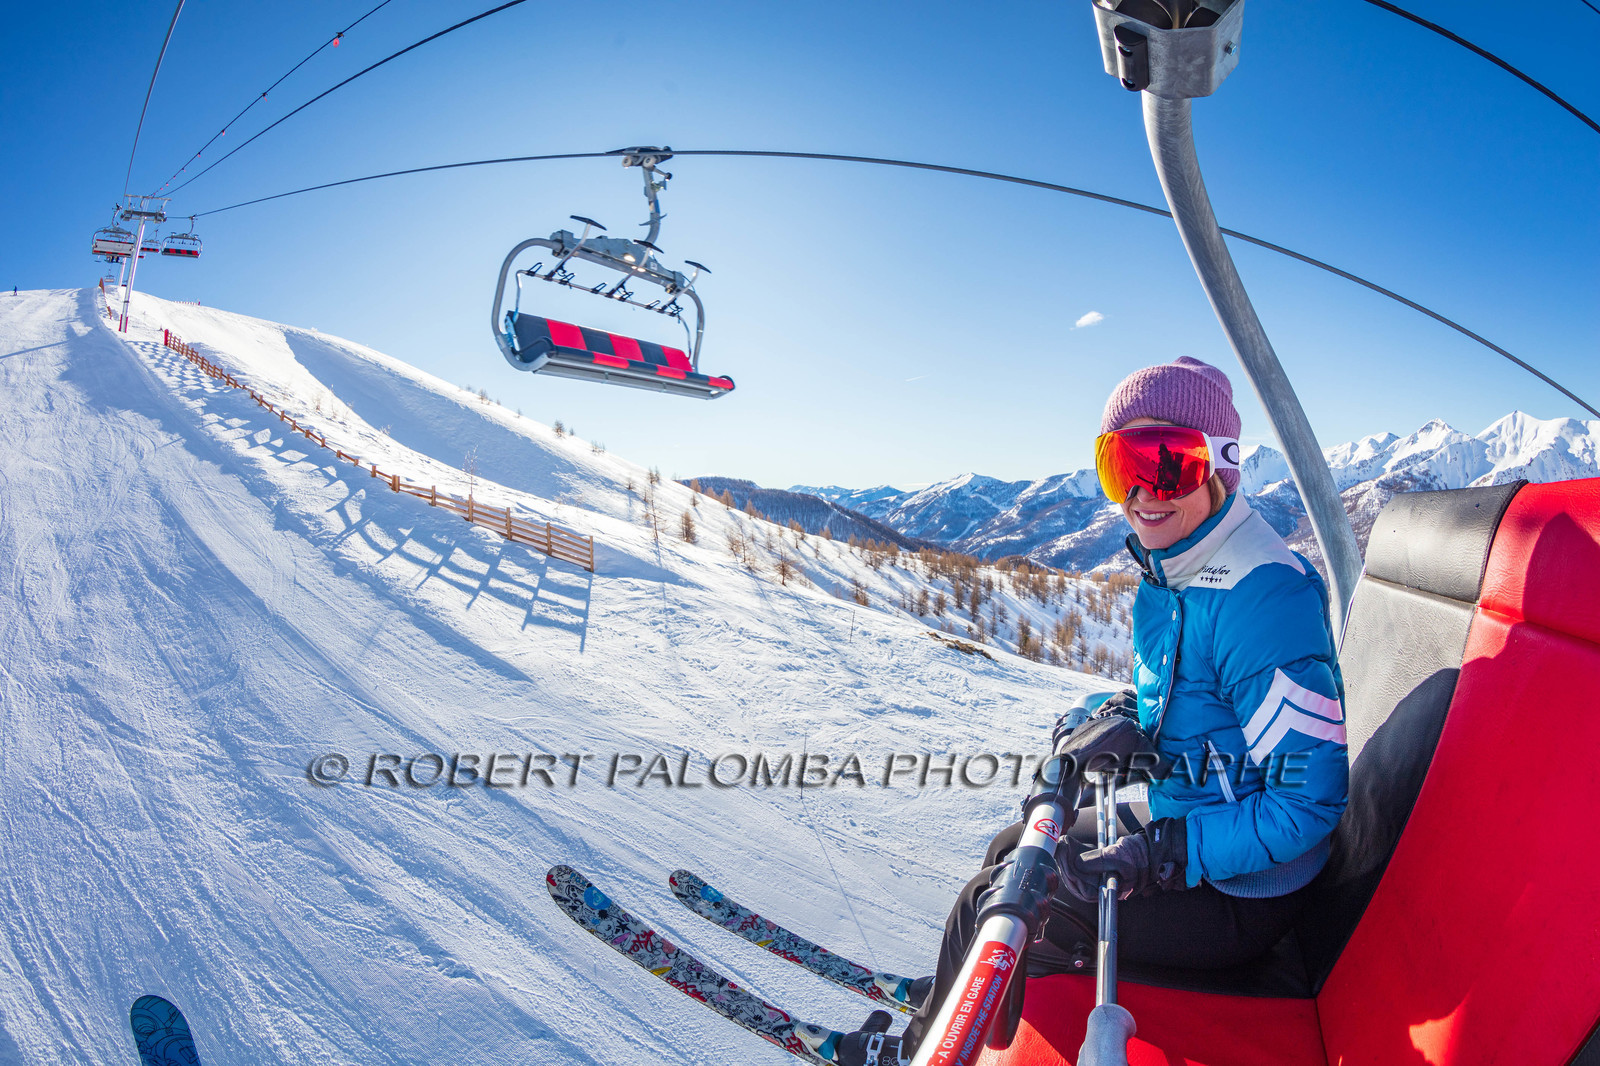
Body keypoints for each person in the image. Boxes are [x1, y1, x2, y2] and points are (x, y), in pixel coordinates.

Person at [839, 356, 1350, 1065]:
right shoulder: (1179, 567)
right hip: (1193, 822)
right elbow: (1186, 703)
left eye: (1167, 463)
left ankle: (937, 1044)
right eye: (1120, 464)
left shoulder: (1261, 597)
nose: (1142, 492)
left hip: (1245, 888)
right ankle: (960, 997)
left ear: (1221, 465)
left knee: (1016, 894)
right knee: (1011, 850)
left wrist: (1170, 854)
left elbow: (1308, 804)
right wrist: (1116, 719)